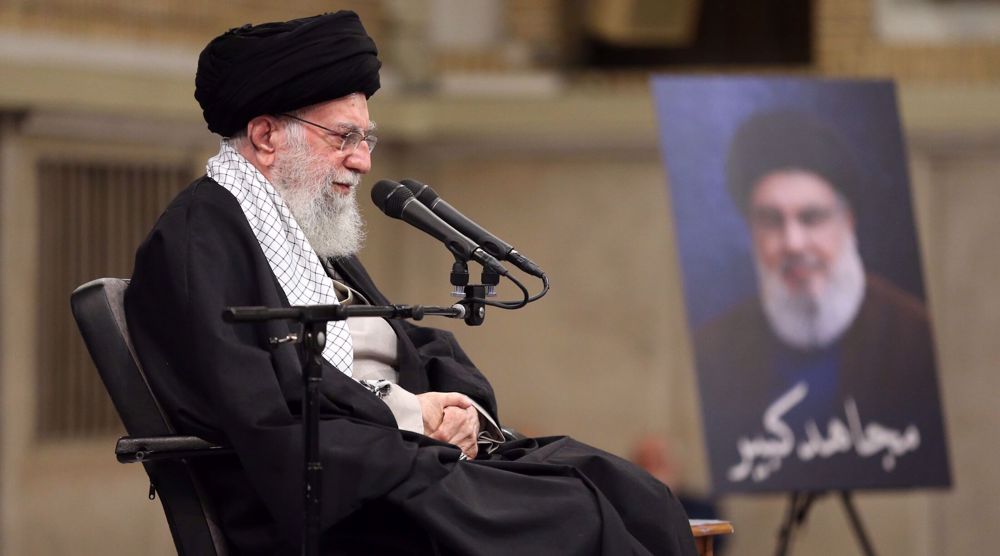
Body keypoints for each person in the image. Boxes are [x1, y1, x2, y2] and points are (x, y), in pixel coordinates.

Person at [124, 12, 696, 555]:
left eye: (366, 139)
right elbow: (265, 414)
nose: (362, 161)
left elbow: (409, 340)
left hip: (399, 463)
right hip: (337, 504)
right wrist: (406, 417)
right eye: (342, 138)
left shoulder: (299, 225)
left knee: (632, 492)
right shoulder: (202, 239)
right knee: (576, 516)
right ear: (267, 136)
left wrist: (462, 410)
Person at [693, 111, 950, 492]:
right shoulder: (714, 348)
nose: (793, 243)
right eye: (771, 220)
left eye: (811, 218)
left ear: (847, 222)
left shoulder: (913, 337)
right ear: (752, 231)